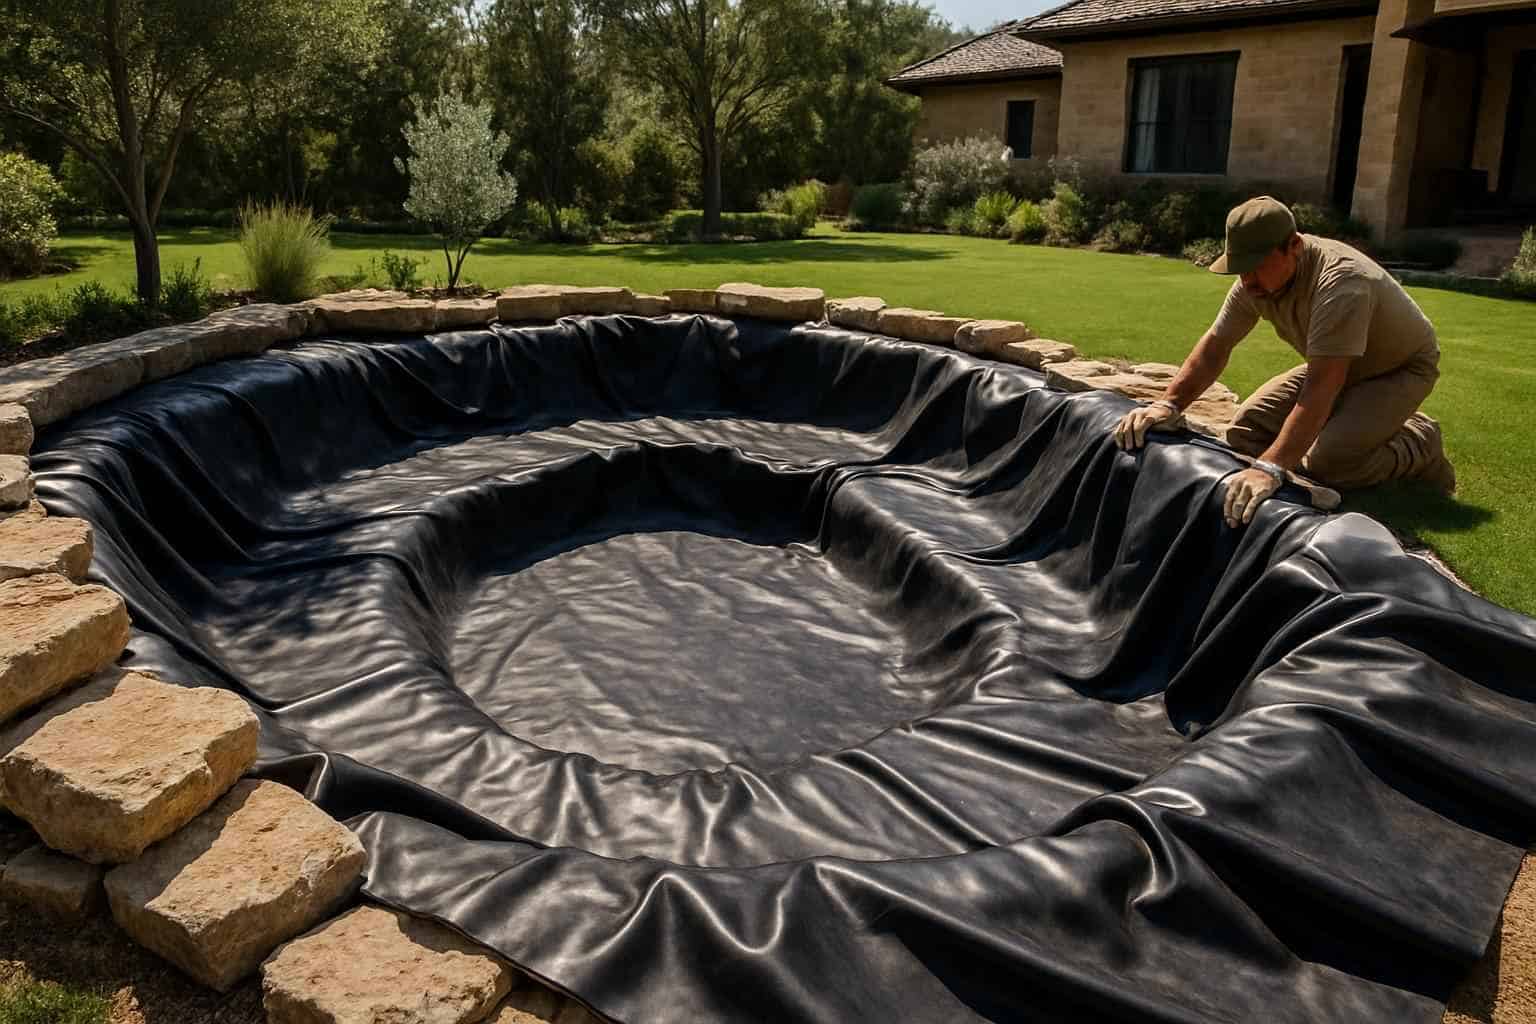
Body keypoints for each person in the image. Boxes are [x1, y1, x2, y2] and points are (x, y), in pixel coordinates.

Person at [1113, 196, 1455, 528]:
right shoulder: (1255, 283)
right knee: (1245, 429)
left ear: (1293, 246)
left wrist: (1271, 468)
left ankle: (1418, 440)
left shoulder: (1341, 283)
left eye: (1256, 267)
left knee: (1329, 462)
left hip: (1398, 369)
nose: (1247, 281)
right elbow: (1216, 346)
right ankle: (1351, 427)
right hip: (1335, 362)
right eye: (1241, 268)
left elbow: (1323, 385)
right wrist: (1167, 405)